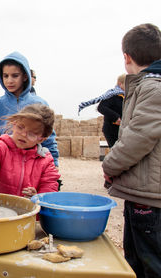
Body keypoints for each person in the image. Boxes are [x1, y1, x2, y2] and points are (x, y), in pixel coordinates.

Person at [102, 23, 161, 278]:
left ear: (127, 57)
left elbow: (138, 138)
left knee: (149, 263)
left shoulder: (153, 88)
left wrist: (109, 165)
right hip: (143, 191)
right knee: (136, 259)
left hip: (148, 196)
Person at [0, 52, 59, 168]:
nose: (9, 81)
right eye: (5, 76)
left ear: (25, 76)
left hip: (33, 164)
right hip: (4, 165)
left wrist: (54, 165)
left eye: (15, 75)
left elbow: (49, 139)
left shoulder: (40, 104)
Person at [0, 103, 60, 197]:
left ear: (41, 138)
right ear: (14, 124)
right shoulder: (0, 147)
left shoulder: (45, 159)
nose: (23, 134)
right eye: (20, 127)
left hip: (29, 209)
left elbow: (49, 187)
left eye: (31, 134)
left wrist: (37, 197)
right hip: (0, 206)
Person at [97, 74, 126, 148]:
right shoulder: (112, 94)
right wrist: (116, 117)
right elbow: (101, 107)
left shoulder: (126, 96)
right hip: (112, 129)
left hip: (123, 129)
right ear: (120, 84)